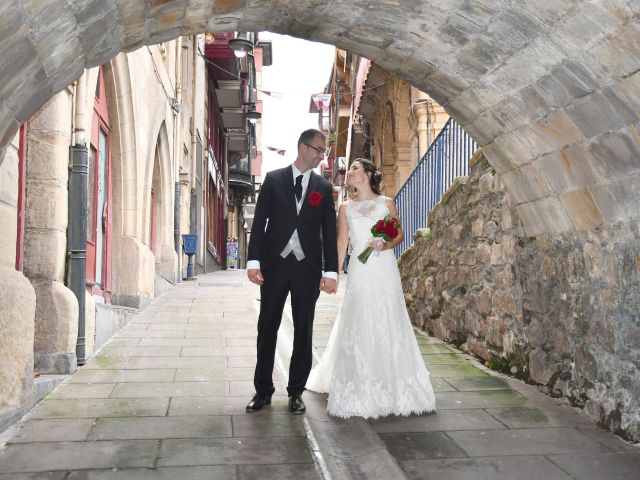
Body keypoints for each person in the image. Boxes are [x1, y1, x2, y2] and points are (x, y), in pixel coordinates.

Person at [306, 158, 436, 418]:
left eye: (354, 168)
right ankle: (358, 383)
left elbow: (398, 234)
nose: (350, 172)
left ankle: (394, 385)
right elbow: (342, 241)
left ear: (367, 174)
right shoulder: (345, 207)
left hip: (384, 267)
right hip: (359, 269)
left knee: (389, 317)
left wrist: (384, 244)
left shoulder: (386, 203)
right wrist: (333, 274)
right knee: (359, 317)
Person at [246, 129, 338, 414]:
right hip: (274, 265)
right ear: (303, 147)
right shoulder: (274, 180)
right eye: (319, 149)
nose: (322, 155)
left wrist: (331, 271)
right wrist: (253, 262)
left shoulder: (323, 188)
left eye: (324, 151)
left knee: (304, 330)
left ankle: (296, 392)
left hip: (307, 269)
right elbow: (260, 222)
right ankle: (262, 391)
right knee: (267, 328)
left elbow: (328, 231)